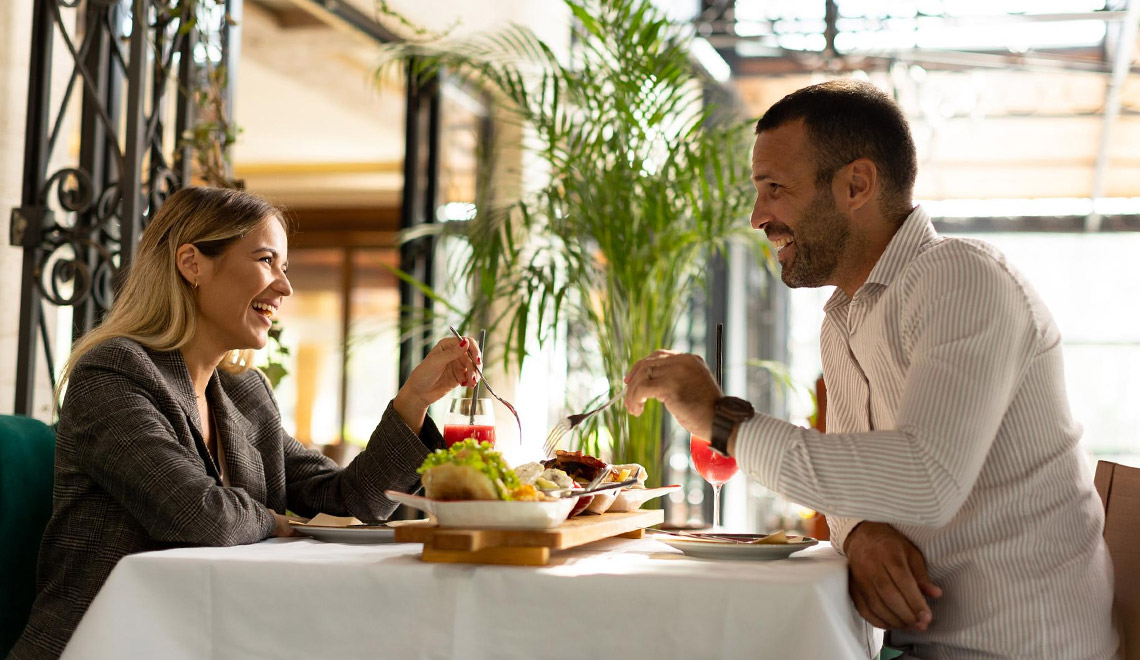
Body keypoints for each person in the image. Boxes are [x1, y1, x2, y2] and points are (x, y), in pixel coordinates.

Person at [624, 80, 1117, 659]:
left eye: (775, 189)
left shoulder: (960, 278)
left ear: (856, 185)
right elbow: (862, 479)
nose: (759, 217)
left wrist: (721, 419)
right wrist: (858, 530)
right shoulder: (845, 317)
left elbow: (927, 478)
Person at [9, 187, 483, 660]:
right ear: (192, 263)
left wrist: (414, 399)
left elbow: (351, 497)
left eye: (285, 268)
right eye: (265, 261)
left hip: (216, 639)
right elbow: (198, 514)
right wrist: (280, 521)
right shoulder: (112, 374)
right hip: (103, 645)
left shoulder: (244, 395)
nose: (285, 287)